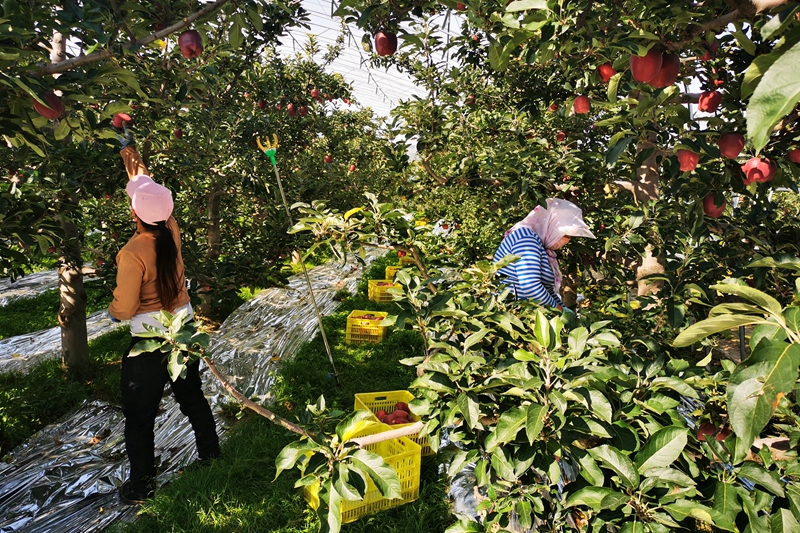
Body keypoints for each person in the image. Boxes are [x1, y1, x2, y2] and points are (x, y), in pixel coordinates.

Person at [108, 130, 220, 504]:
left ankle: (142, 485)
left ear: (134, 212)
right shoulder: (171, 229)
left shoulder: (133, 251)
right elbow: (144, 183)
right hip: (182, 333)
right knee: (192, 397)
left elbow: (124, 308)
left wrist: (112, 312)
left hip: (151, 342)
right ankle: (211, 456)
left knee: (139, 415)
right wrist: (128, 151)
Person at [493, 198, 595, 310]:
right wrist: (560, 311)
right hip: (511, 312)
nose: (568, 240)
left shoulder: (539, 246)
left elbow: (548, 291)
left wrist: (563, 310)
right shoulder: (526, 239)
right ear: (552, 225)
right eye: (566, 234)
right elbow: (530, 286)